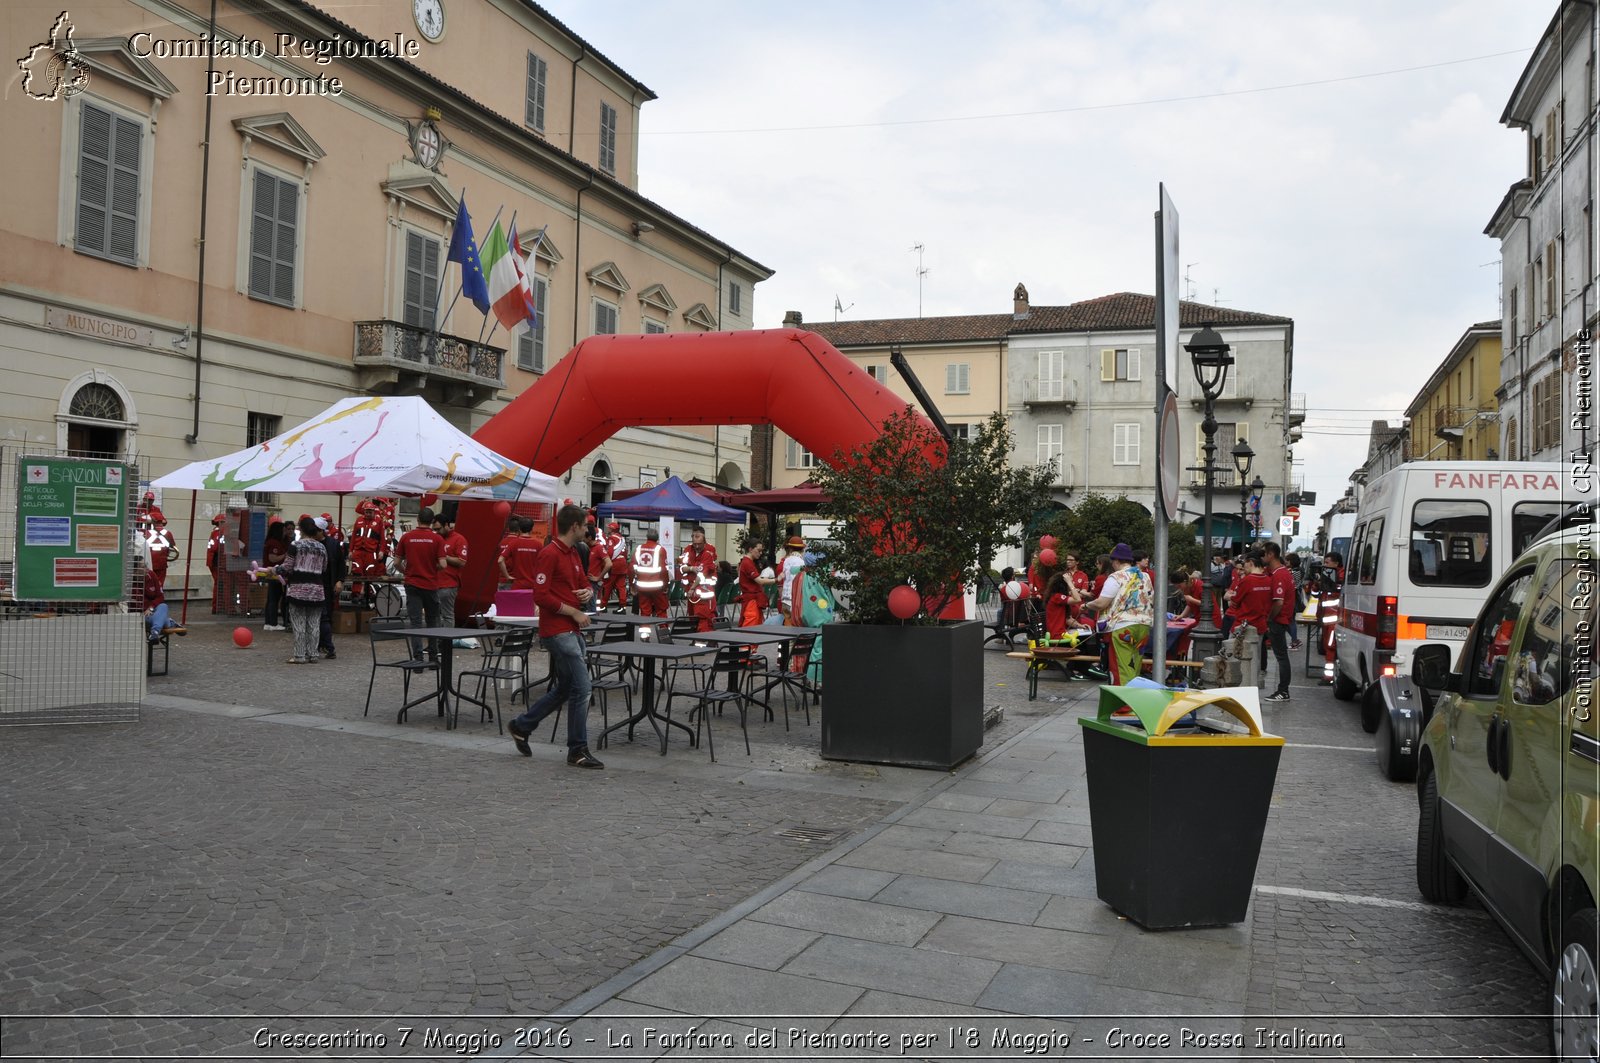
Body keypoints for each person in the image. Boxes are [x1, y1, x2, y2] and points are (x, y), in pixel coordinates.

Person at [507, 504, 603, 769]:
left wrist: (587, 593)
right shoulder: (549, 554)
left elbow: (582, 582)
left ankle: (521, 726)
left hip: (569, 630)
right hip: (558, 631)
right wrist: (574, 611)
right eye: (585, 525)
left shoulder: (573, 553)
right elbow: (541, 595)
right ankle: (577, 749)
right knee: (583, 689)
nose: (587, 529)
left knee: (566, 687)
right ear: (574, 526)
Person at [1081, 543, 1154, 684]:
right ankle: (1136, 700)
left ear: (1116, 561)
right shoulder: (1145, 576)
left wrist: (1086, 605)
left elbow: (1101, 603)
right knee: (1135, 665)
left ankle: (1125, 705)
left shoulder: (1116, 577)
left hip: (1123, 626)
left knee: (1122, 668)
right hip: (1144, 626)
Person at [267, 515, 328, 665]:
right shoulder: (322, 547)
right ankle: (313, 654)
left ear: (301, 529)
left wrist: (273, 570)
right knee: (314, 624)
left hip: (298, 590)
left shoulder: (295, 545)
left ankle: (300, 655)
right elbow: (324, 568)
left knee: (299, 624)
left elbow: (287, 567)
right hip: (317, 590)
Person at [396, 506, 446, 659]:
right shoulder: (437, 539)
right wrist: (431, 567)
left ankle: (418, 659)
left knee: (415, 623)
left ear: (417, 519)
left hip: (412, 584)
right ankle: (432, 656)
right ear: (432, 521)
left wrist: (407, 571)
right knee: (432, 621)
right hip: (430, 585)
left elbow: (397, 562)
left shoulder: (406, 537)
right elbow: (443, 565)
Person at [1262, 542, 1296, 701]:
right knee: (1281, 656)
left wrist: (1269, 618)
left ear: (1270, 554)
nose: (1262, 557)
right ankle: (1283, 690)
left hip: (1278, 620)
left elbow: (1279, 602)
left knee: (1281, 656)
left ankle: (1283, 691)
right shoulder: (1278, 572)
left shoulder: (1279, 574)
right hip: (1281, 619)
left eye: (1263, 554)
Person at [312, 516, 346, 660]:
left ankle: (327, 645)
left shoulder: (333, 544)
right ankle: (322, 645)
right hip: (314, 584)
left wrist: (340, 580)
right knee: (319, 617)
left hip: (327, 585)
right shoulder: (312, 543)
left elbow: (341, 564)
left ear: (321, 531)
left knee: (325, 616)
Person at [436, 508, 468, 627]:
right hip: (434, 583)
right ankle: (436, 640)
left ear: (446, 525)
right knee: (434, 615)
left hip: (449, 584)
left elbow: (462, 561)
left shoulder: (459, 539)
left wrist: (444, 556)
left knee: (447, 614)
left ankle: (446, 642)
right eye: (435, 529)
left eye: (439, 529)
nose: (437, 532)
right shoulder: (437, 538)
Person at [632, 527, 670, 617]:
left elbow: (631, 568)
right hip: (657, 587)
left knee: (645, 611)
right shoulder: (660, 550)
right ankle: (663, 629)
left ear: (647, 537)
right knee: (661, 610)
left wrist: (632, 585)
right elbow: (664, 570)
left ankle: (644, 630)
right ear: (657, 538)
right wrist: (665, 586)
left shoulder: (639, 549)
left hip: (642, 586)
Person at [737, 541, 776, 627]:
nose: (760, 553)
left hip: (752, 598)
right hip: (751, 600)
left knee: (754, 624)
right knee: (751, 625)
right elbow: (760, 581)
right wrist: (776, 579)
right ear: (751, 549)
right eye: (759, 550)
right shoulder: (747, 563)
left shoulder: (748, 562)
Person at [498, 516, 542, 589]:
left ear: (519, 529)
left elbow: (500, 560)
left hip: (517, 585)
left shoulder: (513, 543)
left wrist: (507, 576)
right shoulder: (538, 545)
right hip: (533, 585)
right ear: (532, 529)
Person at [261, 520, 289, 631]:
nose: (285, 533)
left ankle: (269, 622)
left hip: (273, 572)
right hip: (274, 573)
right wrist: (285, 555)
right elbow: (272, 558)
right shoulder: (274, 543)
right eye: (283, 530)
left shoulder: (273, 541)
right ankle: (273, 623)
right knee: (274, 598)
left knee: (271, 598)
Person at [600, 521, 631, 607]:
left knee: (608, 585)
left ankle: (603, 605)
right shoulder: (622, 538)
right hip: (623, 564)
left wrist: (605, 563)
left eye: (609, 527)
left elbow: (609, 552)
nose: (607, 529)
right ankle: (622, 606)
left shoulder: (611, 538)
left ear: (612, 529)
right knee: (621, 587)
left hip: (615, 564)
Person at [776, 536, 807, 618]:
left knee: (787, 623)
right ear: (802, 549)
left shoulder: (786, 560)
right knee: (795, 626)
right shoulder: (801, 562)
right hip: (794, 600)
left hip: (785, 599)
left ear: (790, 549)